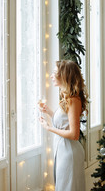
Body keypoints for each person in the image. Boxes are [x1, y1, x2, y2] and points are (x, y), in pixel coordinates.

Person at [39, 60, 89, 191]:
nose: (51, 76)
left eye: (55, 73)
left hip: (69, 153)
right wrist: (49, 111)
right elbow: (65, 122)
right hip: (63, 151)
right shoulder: (67, 98)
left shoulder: (73, 100)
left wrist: (49, 128)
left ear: (65, 76)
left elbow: (74, 134)